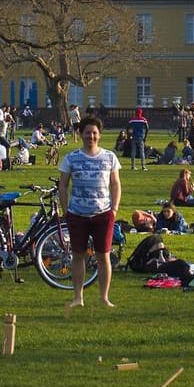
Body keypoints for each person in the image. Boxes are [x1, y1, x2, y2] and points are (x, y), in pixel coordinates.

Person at [56, 116, 122, 309]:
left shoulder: (109, 157)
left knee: (104, 256)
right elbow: (63, 184)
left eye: (94, 133)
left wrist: (114, 209)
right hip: (77, 213)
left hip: (103, 214)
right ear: (81, 134)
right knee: (78, 256)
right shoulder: (71, 157)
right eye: (87, 132)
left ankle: (104, 297)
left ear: (99, 135)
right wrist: (66, 209)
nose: (90, 136)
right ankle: (78, 297)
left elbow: (116, 183)